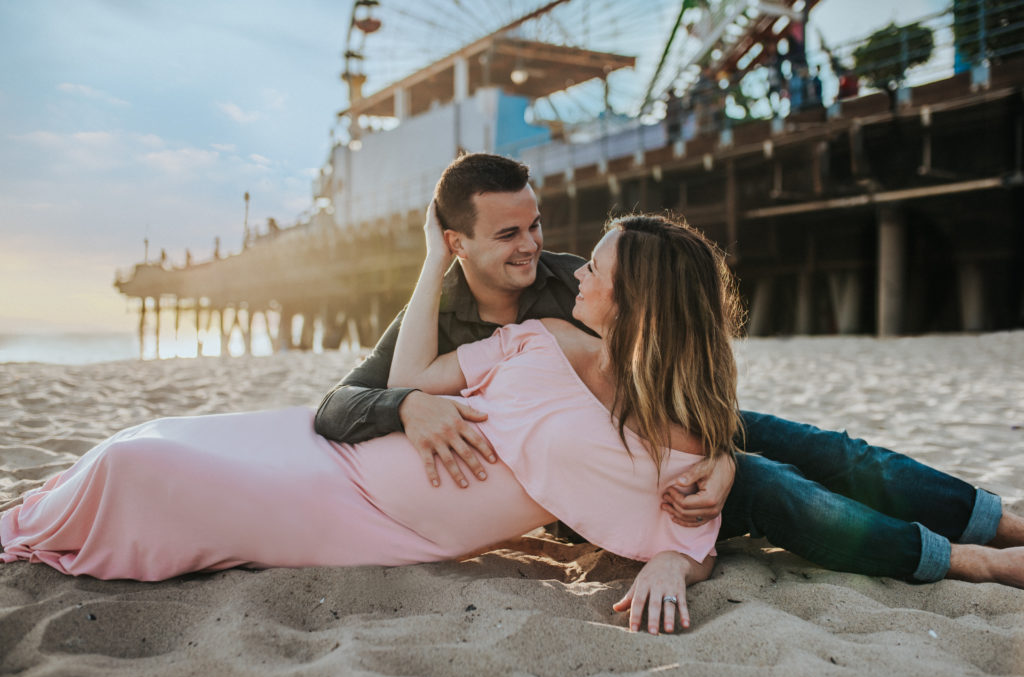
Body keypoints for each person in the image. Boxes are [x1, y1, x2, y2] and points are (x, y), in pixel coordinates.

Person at [1, 208, 749, 635]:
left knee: (140, 470)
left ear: (637, 298)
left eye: (597, 268)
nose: (576, 273)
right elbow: (415, 380)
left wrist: (669, 560)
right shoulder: (546, 338)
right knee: (142, 442)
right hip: (337, 454)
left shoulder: (671, 437)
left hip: (374, 519)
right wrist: (434, 264)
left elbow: (692, 536)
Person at [315, 153, 1024, 598]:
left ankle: (1003, 524)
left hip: (666, 426)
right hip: (588, 480)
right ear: (455, 243)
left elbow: (688, 364)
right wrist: (407, 408)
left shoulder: (577, 281)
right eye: (509, 234)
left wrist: (716, 451)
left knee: (823, 448)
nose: (534, 245)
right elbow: (338, 406)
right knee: (775, 485)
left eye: (535, 224)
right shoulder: (430, 321)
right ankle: (964, 560)